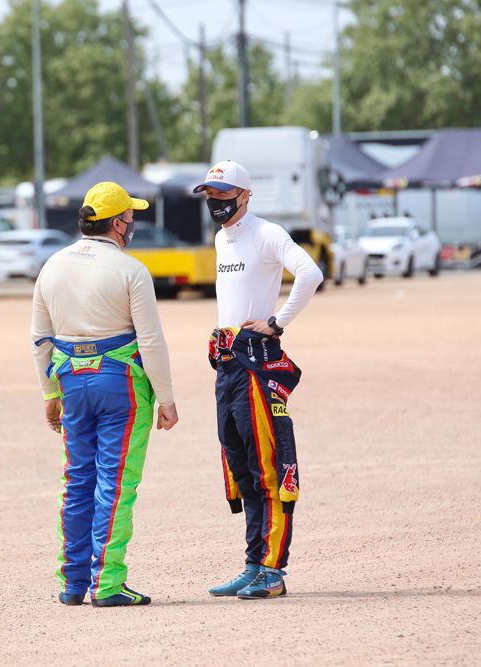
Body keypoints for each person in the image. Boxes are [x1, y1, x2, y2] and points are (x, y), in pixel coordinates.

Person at [31, 181, 179, 608]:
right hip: (121, 382)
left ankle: (73, 582)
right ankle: (108, 582)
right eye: (130, 217)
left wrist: (48, 391)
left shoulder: (52, 265)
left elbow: (40, 338)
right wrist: (166, 398)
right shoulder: (130, 270)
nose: (132, 224)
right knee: (116, 484)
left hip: (72, 380)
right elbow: (150, 340)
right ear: (117, 224)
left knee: (77, 480)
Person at [193, 160, 323, 600]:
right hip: (227, 363)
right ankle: (254, 563)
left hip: (256, 362)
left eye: (224, 195)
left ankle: (272, 570)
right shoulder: (220, 240)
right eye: (211, 195)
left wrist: (277, 321)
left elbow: (310, 273)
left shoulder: (267, 233)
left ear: (245, 195)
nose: (217, 203)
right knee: (241, 468)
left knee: (269, 468)